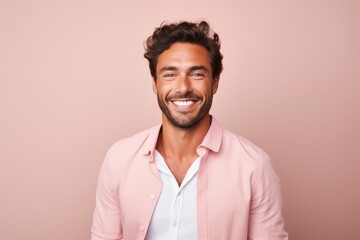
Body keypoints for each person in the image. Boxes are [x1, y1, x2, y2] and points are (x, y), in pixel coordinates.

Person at [91, 21, 288, 240]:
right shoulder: (119, 159)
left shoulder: (254, 166)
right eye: (169, 75)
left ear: (215, 82)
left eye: (196, 74)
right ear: (154, 83)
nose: (183, 87)